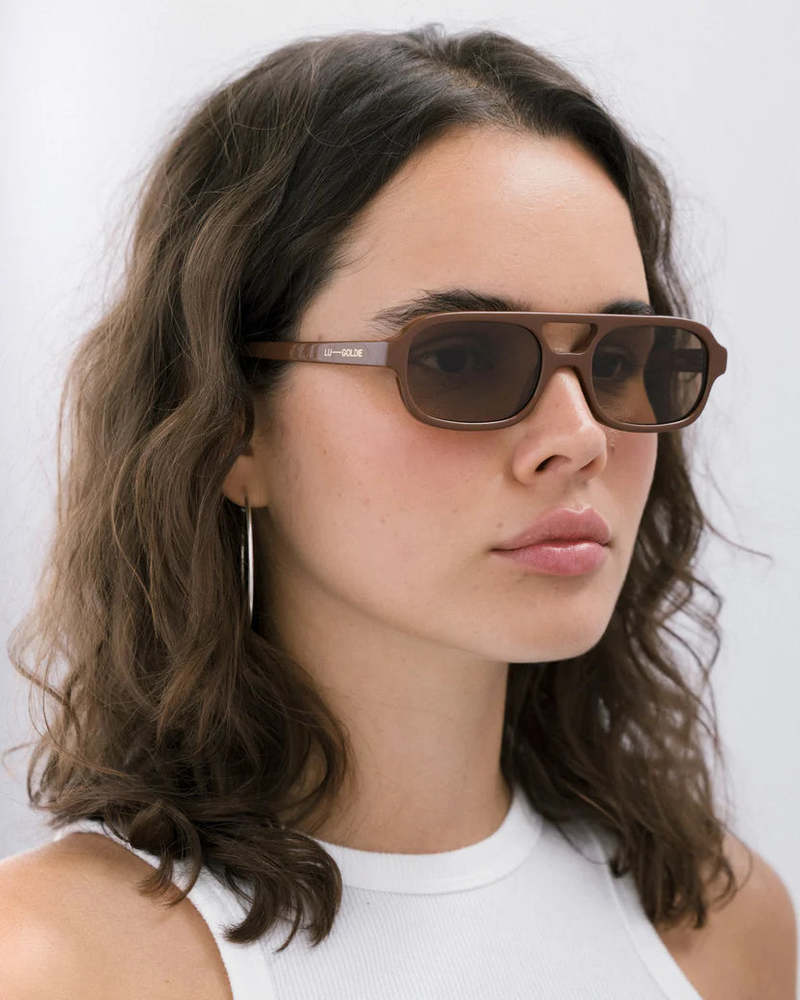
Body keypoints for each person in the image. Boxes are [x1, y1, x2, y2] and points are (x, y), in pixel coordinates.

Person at [1, 22, 796, 1000]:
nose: (580, 437)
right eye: (459, 358)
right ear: (232, 425)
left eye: (622, 360)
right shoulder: (58, 960)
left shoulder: (720, 928)